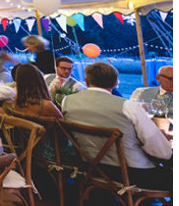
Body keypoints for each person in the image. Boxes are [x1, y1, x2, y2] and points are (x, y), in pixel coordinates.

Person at [62, 62, 172, 191]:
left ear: (86, 81)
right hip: (134, 174)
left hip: (91, 168)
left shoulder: (67, 101)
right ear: (115, 83)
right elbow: (163, 153)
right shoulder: (127, 106)